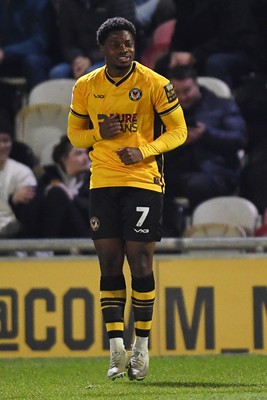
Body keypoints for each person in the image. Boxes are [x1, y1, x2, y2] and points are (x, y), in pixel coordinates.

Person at [67, 17, 187, 380]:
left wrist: (146, 150)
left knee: (140, 262)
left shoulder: (154, 83)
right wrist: (98, 133)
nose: (126, 50)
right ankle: (116, 349)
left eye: (130, 43)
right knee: (108, 262)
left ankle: (142, 349)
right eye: (117, 45)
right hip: (102, 180)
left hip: (143, 180)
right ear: (103, 49)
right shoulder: (86, 86)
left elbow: (179, 130)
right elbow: (75, 136)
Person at [163, 65, 248, 233]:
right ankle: (168, 235)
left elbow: (240, 139)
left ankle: (198, 232)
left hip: (216, 171)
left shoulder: (222, 106)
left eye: (187, 91)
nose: (183, 97)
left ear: (197, 85)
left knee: (197, 185)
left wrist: (206, 134)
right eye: (177, 93)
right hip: (175, 171)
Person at [155, 0, 263, 89]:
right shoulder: (185, 4)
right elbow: (180, 32)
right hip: (200, 50)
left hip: (238, 50)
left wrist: (195, 55)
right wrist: (176, 53)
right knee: (163, 64)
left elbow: (232, 36)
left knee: (215, 63)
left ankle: (223, 108)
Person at [49, 0, 137, 80]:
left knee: (90, 75)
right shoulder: (68, 3)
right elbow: (67, 42)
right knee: (57, 74)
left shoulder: (120, 3)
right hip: (79, 57)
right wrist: (77, 58)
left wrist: (90, 59)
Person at [37, 135, 91, 238]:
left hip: (86, 230)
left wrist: (72, 197)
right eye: (79, 153)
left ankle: (47, 246)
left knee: (57, 193)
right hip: (62, 230)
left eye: (86, 153)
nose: (86, 158)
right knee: (55, 192)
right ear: (64, 158)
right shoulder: (49, 177)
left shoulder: (95, 178)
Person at [0, 114, 37, 239]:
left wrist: (14, 202)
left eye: (5, 141)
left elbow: (30, 214)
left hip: (11, 230)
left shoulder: (23, 172)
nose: (2, 146)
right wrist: (12, 199)